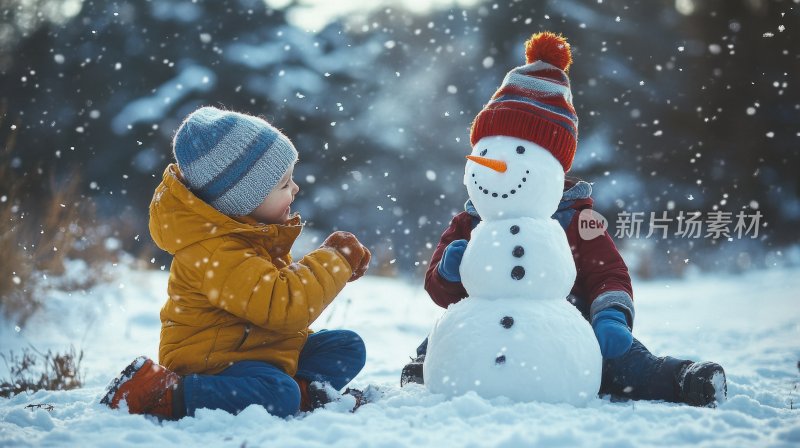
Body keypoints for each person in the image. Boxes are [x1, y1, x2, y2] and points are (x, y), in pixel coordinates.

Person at [401, 32, 727, 407]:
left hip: (565, 334)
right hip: (484, 327)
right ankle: (425, 365)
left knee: (625, 363)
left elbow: (609, 272)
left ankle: (679, 379)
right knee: (444, 340)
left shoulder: (578, 220)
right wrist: (448, 271)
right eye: (488, 151)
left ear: (549, 166)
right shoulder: (470, 224)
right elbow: (440, 292)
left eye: (519, 153)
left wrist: (610, 317)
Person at [101, 106, 371, 419]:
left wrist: (332, 259)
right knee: (279, 394)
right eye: (284, 184)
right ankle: (163, 393)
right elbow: (281, 305)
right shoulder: (217, 252)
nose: (295, 189)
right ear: (243, 200)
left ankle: (302, 390)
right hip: (214, 363)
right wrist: (334, 261)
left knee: (347, 346)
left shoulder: (251, 234)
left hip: (255, 349)